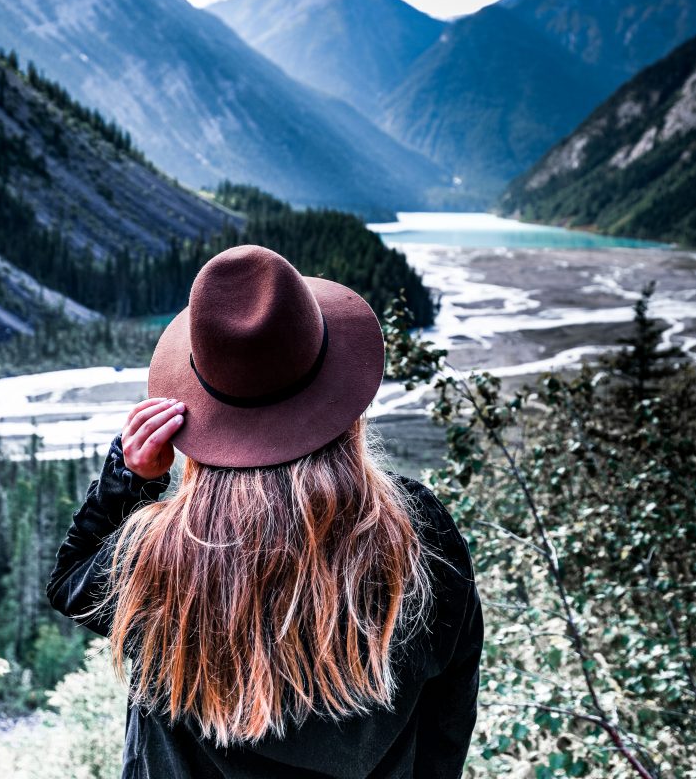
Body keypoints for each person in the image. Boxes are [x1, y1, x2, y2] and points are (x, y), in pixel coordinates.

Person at [46, 244, 483, 779]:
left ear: (200, 413)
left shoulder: (158, 557)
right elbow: (447, 718)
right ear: (341, 401)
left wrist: (129, 480)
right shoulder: (416, 533)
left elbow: (72, 583)